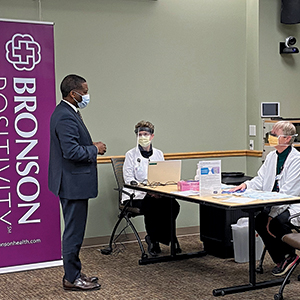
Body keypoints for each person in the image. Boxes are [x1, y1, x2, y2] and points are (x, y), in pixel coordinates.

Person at [48, 74, 106, 291]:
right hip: (73, 184)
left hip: (73, 182)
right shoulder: (64, 116)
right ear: (73, 94)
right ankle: (72, 279)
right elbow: (71, 151)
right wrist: (95, 149)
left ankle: (74, 272)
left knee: (75, 230)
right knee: (74, 232)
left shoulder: (67, 112)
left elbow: (72, 143)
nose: (87, 95)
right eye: (85, 91)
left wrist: (88, 143)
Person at [231, 121, 300, 276]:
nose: (271, 137)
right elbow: (260, 180)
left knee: (275, 222)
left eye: (275, 135)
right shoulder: (271, 157)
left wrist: (271, 215)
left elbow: (287, 194)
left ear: (287, 139)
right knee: (259, 221)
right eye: (271, 134)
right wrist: (246, 185)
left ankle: (289, 256)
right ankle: (281, 259)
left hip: (292, 205)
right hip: (274, 203)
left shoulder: (297, 160)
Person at [122, 121, 181, 256]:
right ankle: (153, 240)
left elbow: (164, 175)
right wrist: (148, 191)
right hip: (136, 195)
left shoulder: (159, 154)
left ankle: (168, 237)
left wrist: (158, 192)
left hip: (157, 193)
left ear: (152, 136)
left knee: (173, 205)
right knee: (152, 205)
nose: (142, 136)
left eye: (145, 134)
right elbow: (129, 180)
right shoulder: (130, 155)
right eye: (139, 134)